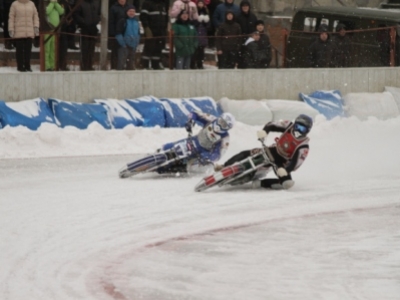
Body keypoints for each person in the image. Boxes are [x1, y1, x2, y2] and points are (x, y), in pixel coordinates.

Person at [216, 114, 313, 190]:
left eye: (302, 128)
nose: (297, 130)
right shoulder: (288, 126)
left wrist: (286, 170)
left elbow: (296, 163)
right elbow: (271, 124)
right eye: (297, 126)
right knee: (248, 153)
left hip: (282, 162)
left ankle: (261, 183)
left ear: (307, 131)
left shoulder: (303, 146)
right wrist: (265, 132)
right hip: (273, 150)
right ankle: (224, 166)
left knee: (286, 184)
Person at [157, 110, 235, 173]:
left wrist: (209, 158)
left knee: (195, 166)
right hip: (194, 140)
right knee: (169, 146)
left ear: (227, 128)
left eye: (223, 125)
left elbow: (218, 154)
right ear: (219, 118)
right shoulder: (211, 119)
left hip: (203, 153)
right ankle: (157, 152)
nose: (220, 125)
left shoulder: (225, 139)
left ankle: (182, 168)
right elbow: (194, 113)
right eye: (220, 121)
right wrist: (191, 121)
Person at [8, 0, 40, 72]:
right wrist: (11, 29)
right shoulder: (14, 4)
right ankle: (20, 66)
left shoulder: (31, 4)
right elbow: (11, 18)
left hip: (29, 31)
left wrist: (36, 26)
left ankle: (27, 65)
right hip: (19, 32)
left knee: (28, 50)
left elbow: (35, 16)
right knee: (19, 50)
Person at [140, 0, 168, 70]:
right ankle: (145, 65)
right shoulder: (147, 3)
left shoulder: (162, 4)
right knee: (149, 48)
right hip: (151, 30)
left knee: (158, 49)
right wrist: (146, 28)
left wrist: (165, 29)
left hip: (161, 31)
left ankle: (156, 65)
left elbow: (165, 18)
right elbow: (143, 16)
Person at [74, 0, 101, 71]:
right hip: (84, 28)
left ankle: (90, 65)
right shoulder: (80, 3)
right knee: (85, 48)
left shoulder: (96, 2)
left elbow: (99, 13)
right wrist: (83, 21)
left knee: (91, 48)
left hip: (93, 28)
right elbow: (76, 15)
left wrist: (97, 19)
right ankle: (84, 66)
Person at [115, 4, 140, 70]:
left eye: (133, 11)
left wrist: (137, 42)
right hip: (124, 46)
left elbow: (138, 33)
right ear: (126, 12)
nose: (132, 13)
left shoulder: (136, 22)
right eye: (130, 11)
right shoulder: (123, 21)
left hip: (133, 46)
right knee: (121, 64)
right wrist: (123, 44)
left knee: (131, 65)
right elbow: (118, 33)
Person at [45, 0, 64, 71]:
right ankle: (47, 66)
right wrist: (52, 3)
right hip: (47, 30)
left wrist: (55, 3)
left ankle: (52, 65)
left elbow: (61, 11)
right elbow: (47, 11)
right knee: (47, 49)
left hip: (55, 30)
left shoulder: (56, 3)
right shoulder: (45, 3)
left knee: (53, 49)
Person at [109, 0, 128, 70]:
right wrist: (113, 33)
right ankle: (114, 67)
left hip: (126, 33)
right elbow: (111, 22)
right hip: (116, 33)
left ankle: (123, 65)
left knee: (124, 51)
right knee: (115, 51)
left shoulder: (128, 7)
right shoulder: (113, 8)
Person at [191, 0, 210, 69]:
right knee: (195, 51)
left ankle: (200, 64)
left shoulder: (206, 12)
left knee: (201, 51)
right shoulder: (194, 12)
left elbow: (208, 26)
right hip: (196, 33)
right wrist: (197, 21)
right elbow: (192, 23)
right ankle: (193, 64)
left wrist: (206, 22)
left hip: (203, 34)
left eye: (202, 3)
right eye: (199, 3)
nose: (200, 5)